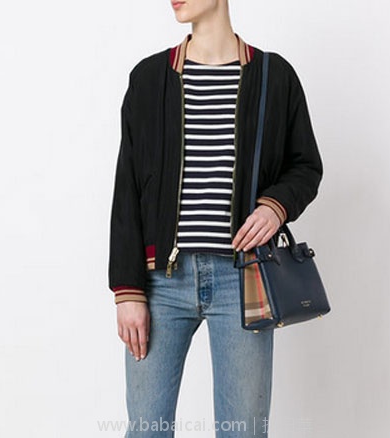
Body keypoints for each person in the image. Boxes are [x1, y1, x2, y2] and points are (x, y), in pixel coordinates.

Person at [108, 1, 323, 436]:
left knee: (243, 430)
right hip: (161, 284)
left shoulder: (274, 76)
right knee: (146, 430)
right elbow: (127, 188)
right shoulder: (149, 78)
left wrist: (274, 205)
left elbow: (305, 166)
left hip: (243, 281)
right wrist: (127, 291)